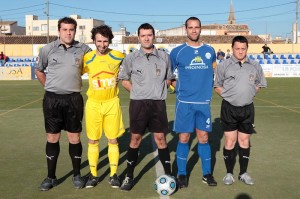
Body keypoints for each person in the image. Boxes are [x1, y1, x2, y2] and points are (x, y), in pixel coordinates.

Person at [35, 17, 91, 191]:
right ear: (58, 31)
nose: (68, 32)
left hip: (74, 99)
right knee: (52, 137)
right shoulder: (47, 49)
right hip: (52, 100)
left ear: (75, 31)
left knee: (74, 138)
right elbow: (39, 70)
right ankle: (51, 177)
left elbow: (97, 63)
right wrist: (50, 87)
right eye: (65, 29)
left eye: (71, 30)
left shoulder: (84, 49)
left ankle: (76, 174)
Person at [118, 23, 174, 191]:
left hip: (158, 104)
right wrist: (137, 91)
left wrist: (158, 89)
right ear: (139, 38)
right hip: (138, 104)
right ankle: (129, 175)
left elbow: (169, 78)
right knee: (135, 139)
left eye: (149, 35)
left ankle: (169, 174)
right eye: (143, 35)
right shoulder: (131, 58)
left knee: (161, 139)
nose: (146, 38)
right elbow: (124, 79)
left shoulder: (164, 57)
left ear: (153, 36)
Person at [170, 16, 217, 188]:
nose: (194, 30)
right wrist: (178, 88)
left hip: (203, 102)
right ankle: (182, 174)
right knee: (184, 137)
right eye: (191, 27)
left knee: (203, 138)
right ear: (186, 30)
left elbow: (213, 71)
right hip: (184, 102)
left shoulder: (210, 51)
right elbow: (169, 75)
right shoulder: (178, 52)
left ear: (201, 29)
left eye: (197, 27)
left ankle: (207, 174)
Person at [214, 36, 267, 186]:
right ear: (232, 48)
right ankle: (229, 173)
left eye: (243, 48)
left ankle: (243, 173)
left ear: (247, 49)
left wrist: (249, 93)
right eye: (237, 48)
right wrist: (229, 96)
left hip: (247, 108)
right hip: (229, 108)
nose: (240, 51)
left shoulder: (255, 65)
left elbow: (260, 84)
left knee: (244, 141)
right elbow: (217, 85)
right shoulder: (224, 65)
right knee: (230, 141)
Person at [82, 25, 125, 189]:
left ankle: (113, 175)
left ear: (110, 41)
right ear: (94, 41)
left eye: (105, 41)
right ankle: (93, 175)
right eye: (99, 41)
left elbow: (131, 68)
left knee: (112, 140)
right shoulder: (87, 58)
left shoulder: (118, 56)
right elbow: (75, 72)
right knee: (93, 140)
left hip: (112, 103)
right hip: (93, 104)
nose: (102, 44)